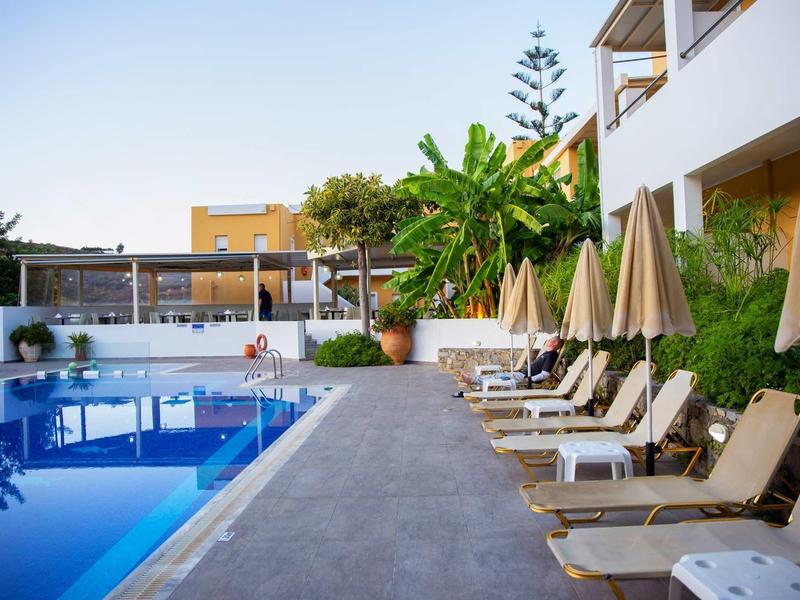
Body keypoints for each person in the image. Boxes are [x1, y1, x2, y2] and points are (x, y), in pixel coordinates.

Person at [456, 335, 564, 391]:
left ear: (554, 343)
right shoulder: (547, 353)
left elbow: (545, 374)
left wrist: (529, 379)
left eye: (551, 339)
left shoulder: (551, 356)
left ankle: (472, 380)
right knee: (497, 375)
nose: (548, 340)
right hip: (522, 373)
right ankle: (473, 379)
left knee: (499, 377)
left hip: (524, 376)